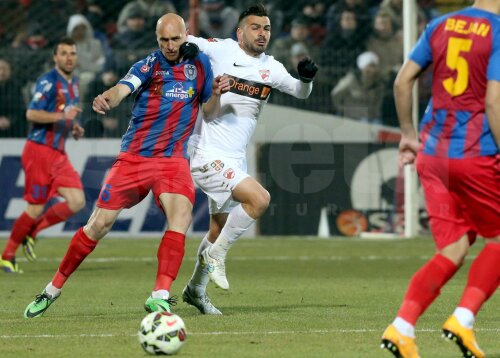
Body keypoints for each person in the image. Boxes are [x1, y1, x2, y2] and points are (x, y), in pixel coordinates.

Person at [23, 13, 229, 318]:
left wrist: (216, 95)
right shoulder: (149, 65)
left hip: (171, 159)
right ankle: (52, 289)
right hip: (134, 157)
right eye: (164, 40)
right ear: (157, 40)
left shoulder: (201, 65)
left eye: (175, 39)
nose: (170, 46)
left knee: (181, 216)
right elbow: (122, 89)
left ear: (186, 34)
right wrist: (106, 98)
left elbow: (208, 111)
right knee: (98, 225)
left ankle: (160, 294)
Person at [381, 2, 500, 358]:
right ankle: (463, 318)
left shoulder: (440, 25)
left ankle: (402, 328)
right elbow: (493, 102)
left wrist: (407, 135)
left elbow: (403, 81)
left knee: (454, 248)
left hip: (432, 155)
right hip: (473, 154)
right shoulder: (496, 30)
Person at [182, 4, 318, 315]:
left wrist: (306, 79)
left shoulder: (272, 68)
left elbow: (300, 92)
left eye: (266, 28)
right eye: (255, 27)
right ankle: (217, 257)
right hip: (206, 153)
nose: (262, 33)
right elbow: (185, 40)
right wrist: (187, 48)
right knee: (259, 200)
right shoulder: (221, 49)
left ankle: (195, 291)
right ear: (240, 31)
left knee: (218, 228)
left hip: (234, 159)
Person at [1, 37, 85, 273]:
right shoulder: (48, 81)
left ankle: (34, 232)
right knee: (35, 207)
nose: (69, 57)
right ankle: (7, 255)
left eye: (72, 53)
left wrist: (74, 127)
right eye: (64, 53)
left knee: (77, 201)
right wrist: (62, 119)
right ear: (55, 57)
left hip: (58, 153)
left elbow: (64, 114)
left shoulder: (74, 83)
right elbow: (32, 113)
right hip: (38, 151)